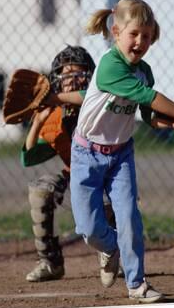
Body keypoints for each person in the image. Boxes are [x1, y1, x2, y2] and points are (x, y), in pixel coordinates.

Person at [70, 0, 174, 303]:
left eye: (146, 35)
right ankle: (110, 247)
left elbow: (150, 115)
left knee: (129, 215)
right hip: (86, 154)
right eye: (134, 34)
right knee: (88, 227)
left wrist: (173, 123)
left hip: (120, 155)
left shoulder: (144, 70)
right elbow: (148, 95)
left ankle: (136, 283)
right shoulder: (109, 65)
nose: (140, 41)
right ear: (116, 32)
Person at [20, 45, 117, 282]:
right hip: (74, 173)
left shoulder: (99, 106)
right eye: (66, 76)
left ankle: (112, 253)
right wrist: (38, 120)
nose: (73, 82)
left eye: (79, 75)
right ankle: (50, 261)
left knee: (107, 201)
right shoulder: (54, 115)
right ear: (56, 82)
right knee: (40, 191)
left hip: (104, 174)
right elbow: (28, 157)